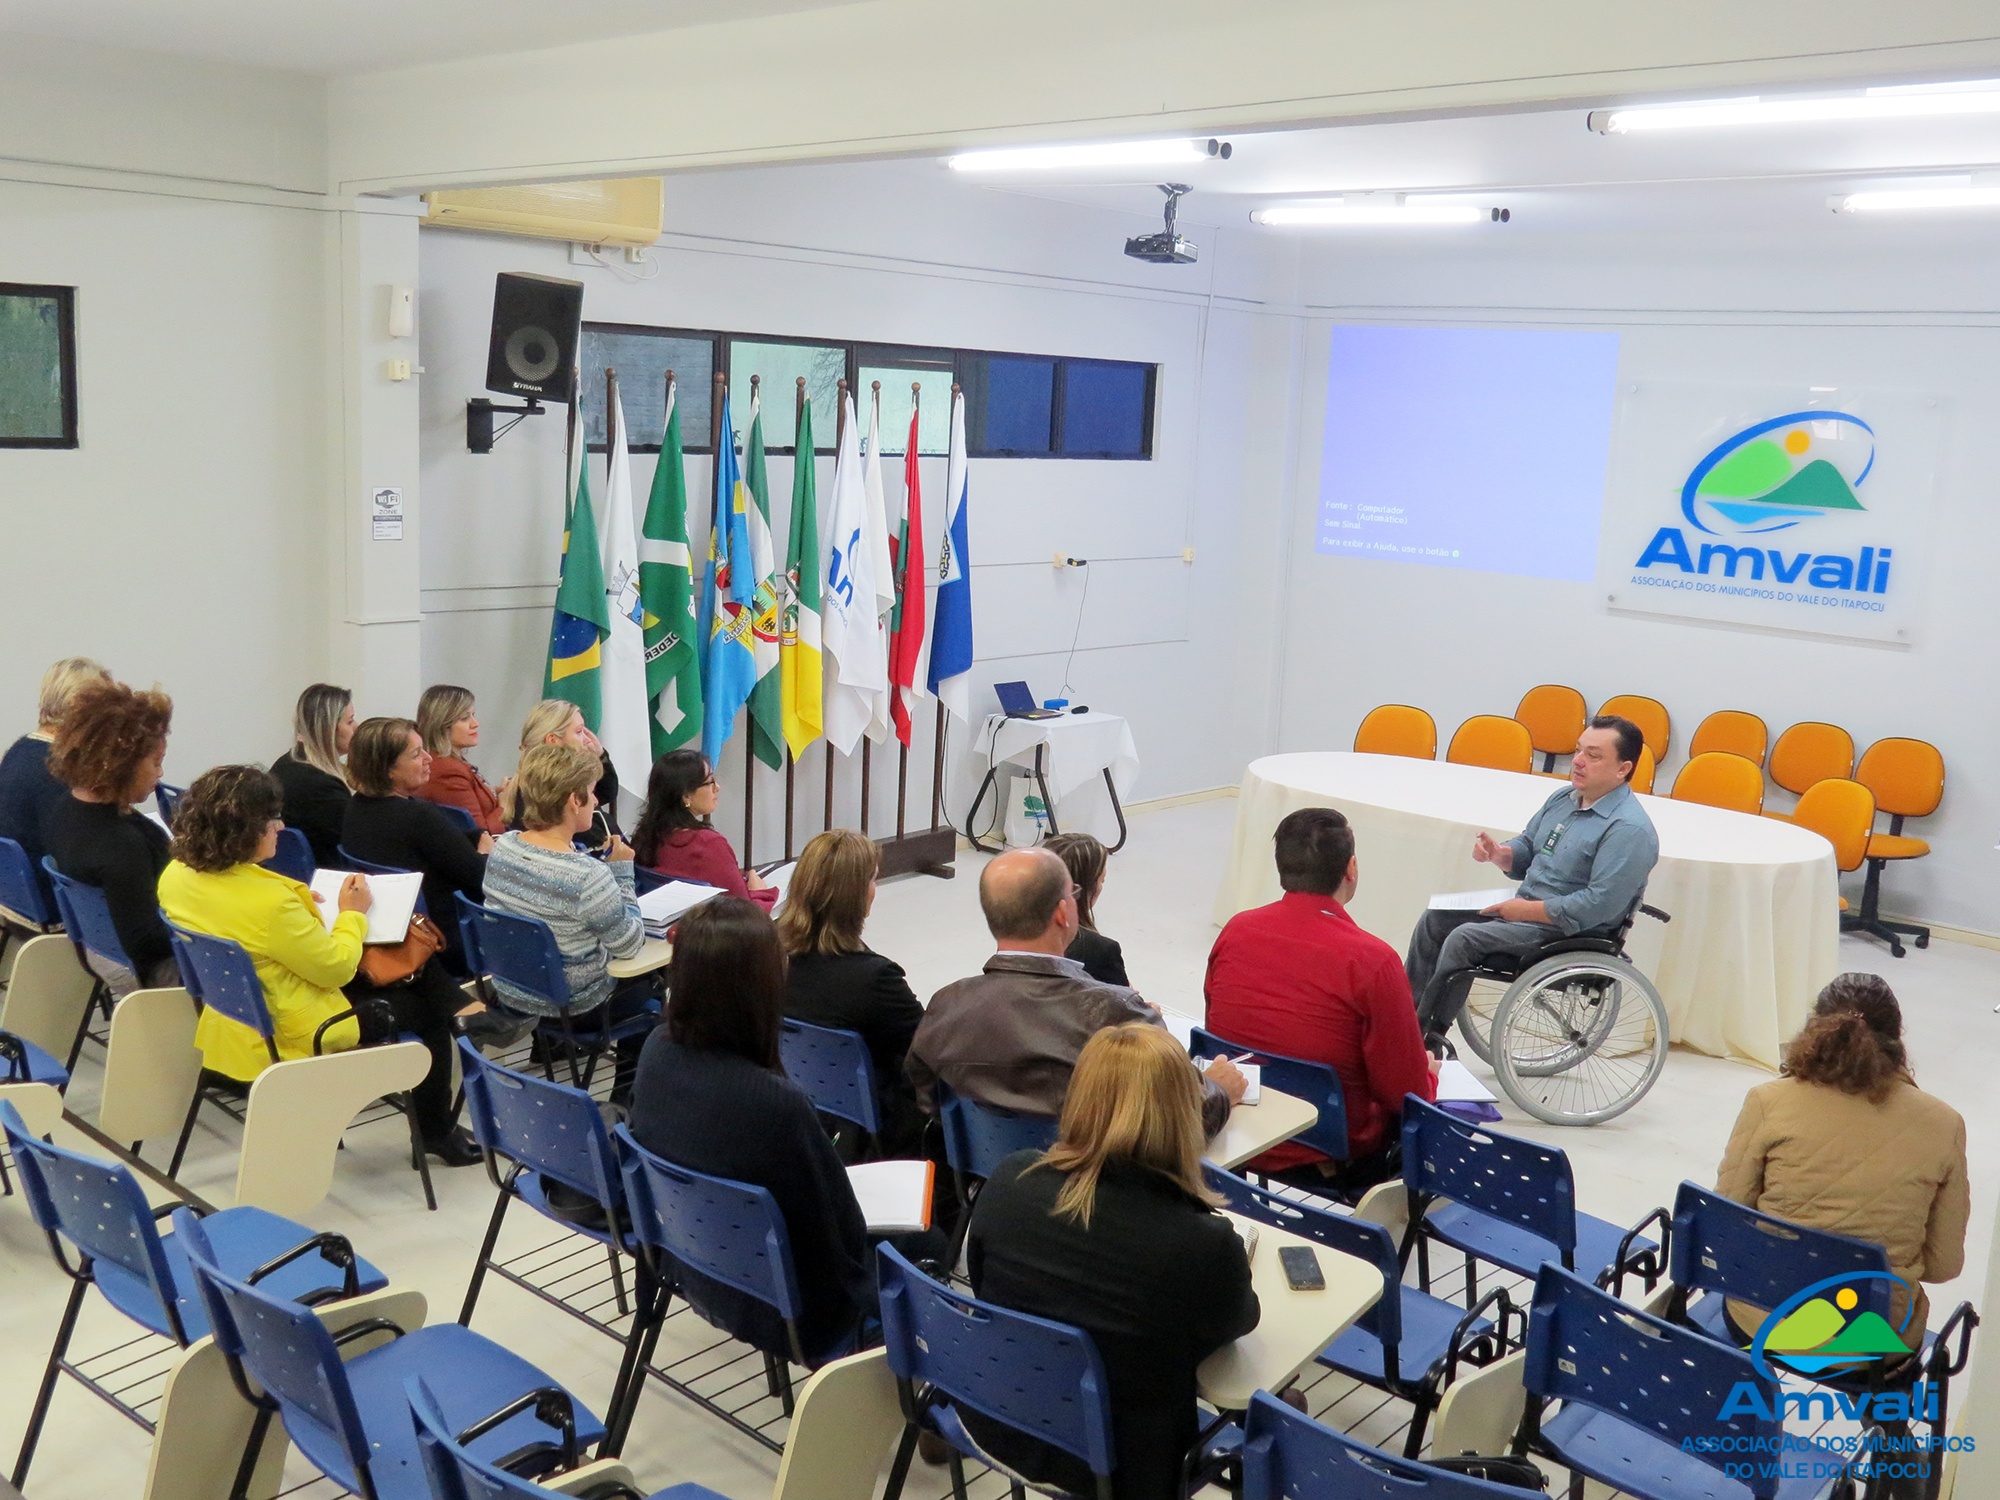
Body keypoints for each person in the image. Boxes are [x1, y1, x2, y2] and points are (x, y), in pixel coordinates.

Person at [965, 1023, 1258, 1500]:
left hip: (1005, 1416)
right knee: (1277, 1402)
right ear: (1184, 1115)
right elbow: (1235, 1324)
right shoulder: (1201, 1243)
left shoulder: (1009, 1179)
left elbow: (983, 1284)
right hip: (1130, 1467)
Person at [157, 765, 481, 1165]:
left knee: (410, 975)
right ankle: (436, 1131)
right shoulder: (271, 905)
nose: (279, 826)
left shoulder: (177, 875)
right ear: (242, 831)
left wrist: (304, 914)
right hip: (298, 1026)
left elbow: (251, 920)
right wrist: (351, 914)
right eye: (271, 819)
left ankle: (471, 1020)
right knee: (429, 1009)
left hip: (235, 1015)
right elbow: (336, 969)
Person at [628, 897, 877, 1364]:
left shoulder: (656, 1049)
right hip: (793, 1318)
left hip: (689, 1267)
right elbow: (844, 1241)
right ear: (761, 983)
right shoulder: (778, 1105)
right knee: (929, 1242)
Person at [906, 847, 1244, 1136]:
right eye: (1073, 893)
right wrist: (1219, 1090)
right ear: (1062, 913)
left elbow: (927, 1099)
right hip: (1092, 1195)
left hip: (987, 1189)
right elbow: (1184, 1121)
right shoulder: (1116, 1013)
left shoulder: (946, 1004)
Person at [1717, 973, 1967, 1346]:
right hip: (1872, 1340)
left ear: (1812, 1030)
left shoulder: (1768, 1101)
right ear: (1896, 1038)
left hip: (1764, 1317)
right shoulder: (1945, 1124)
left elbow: (1728, 1218)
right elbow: (1944, 1264)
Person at [1205, 806, 1438, 1194]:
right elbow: (1404, 1093)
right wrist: (1429, 1070)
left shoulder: (1236, 930)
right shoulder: (1373, 961)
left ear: (1283, 866)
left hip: (1237, 1125)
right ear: (1351, 869)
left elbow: (1218, 1022)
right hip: (1332, 1153)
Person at [1404, 714, 1659, 1042]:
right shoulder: (1563, 800)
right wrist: (1501, 854)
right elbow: (1529, 845)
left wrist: (1522, 911)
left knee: (1464, 938)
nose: (1578, 762)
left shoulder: (1629, 831)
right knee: (1436, 918)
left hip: (1568, 930)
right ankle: (1406, 1016)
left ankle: (1428, 1035)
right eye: (1579, 751)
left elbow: (1596, 907)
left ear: (1623, 769)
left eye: (1593, 756)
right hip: (1525, 910)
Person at [482, 742, 654, 1094]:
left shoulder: (504, 848)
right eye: (591, 794)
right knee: (654, 997)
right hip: (575, 1003)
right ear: (573, 801)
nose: (595, 802)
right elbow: (630, 943)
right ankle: (626, 1106)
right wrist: (621, 871)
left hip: (512, 990)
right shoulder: (587, 876)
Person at [776, 828, 925, 1155]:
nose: (875, 890)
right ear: (855, 895)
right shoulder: (875, 978)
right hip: (879, 1122)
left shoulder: (769, 956)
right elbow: (928, 1047)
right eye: (873, 880)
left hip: (802, 1105)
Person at [42, 679, 179, 994]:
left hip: (101, 952)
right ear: (122, 765)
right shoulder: (120, 845)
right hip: (156, 972)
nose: (160, 773)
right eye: (156, 763)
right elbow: (147, 941)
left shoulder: (66, 808)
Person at [342, 716, 491, 954]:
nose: (428, 758)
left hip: (391, 935)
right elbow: (482, 878)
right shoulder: (418, 816)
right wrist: (485, 851)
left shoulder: (355, 807)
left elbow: (440, 844)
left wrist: (476, 836)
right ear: (388, 770)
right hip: (445, 940)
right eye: (416, 754)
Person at [0, 656, 107, 906]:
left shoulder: (20, 749)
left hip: (14, 898)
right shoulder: (59, 770)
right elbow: (81, 858)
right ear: (80, 708)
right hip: (53, 904)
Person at [631, 748, 776, 909]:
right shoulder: (707, 844)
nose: (717, 787)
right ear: (686, 795)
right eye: (710, 782)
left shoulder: (643, 836)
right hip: (712, 931)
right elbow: (744, 913)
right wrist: (760, 892)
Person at [508, 699, 621, 846]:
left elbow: (607, 792)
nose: (587, 740)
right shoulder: (555, 792)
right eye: (579, 732)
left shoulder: (556, 781)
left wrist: (600, 755)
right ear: (553, 740)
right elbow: (595, 845)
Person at [271, 684, 354, 869]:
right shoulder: (322, 786)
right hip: (328, 881)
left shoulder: (285, 763)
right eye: (350, 722)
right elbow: (357, 843)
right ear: (328, 728)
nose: (356, 727)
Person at [415, 683, 507, 834]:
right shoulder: (447, 771)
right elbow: (481, 835)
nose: (475, 724)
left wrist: (494, 793)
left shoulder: (446, 761)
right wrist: (505, 806)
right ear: (442, 724)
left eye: (473, 715)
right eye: (464, 718)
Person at [1044, 831, 1127, 986]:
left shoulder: (1019, 929)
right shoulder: (1101, 951)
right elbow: (1122, 1005)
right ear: (1087, 889)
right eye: (1101, 880)